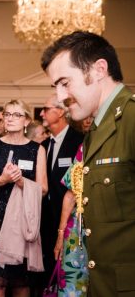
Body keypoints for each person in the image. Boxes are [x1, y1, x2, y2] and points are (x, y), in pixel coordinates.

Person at [41, 30, 135, 297]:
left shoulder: (130, 120)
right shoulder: (94, 131)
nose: (60, 97)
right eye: (55, 87)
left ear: (98, 70)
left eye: (65, 83)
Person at [0, 99, 48, 297]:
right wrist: (2, 180)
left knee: (21, 282)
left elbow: (44, 189)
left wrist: (21, 182)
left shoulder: (36, 149)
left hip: (22, 224)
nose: (10, 118)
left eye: (16, 114)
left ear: (26, 121)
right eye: (7, 114)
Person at [38, 94, 83, 293]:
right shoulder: (45, 145)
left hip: (69, 218)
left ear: (61, 112)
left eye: (46, 109)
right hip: (45, 218)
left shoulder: (79, 140)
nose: (41, 113)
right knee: (46, 271)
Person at [54, 144, 89, 296]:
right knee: (74, 286)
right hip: (78, 231)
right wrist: (61, 234)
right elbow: (70, 194)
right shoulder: (86, 146)